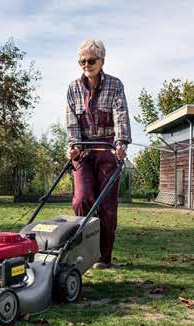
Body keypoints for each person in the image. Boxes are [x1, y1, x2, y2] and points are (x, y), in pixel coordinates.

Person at [65, 38, 131, 269]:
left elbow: (120, 114)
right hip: (83, 152)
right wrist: (73, 146)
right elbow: (72, 122)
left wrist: (121, 142)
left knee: (106, 206)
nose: (86, 64)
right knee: (82, 199)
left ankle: (104, 257)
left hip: (107, 151)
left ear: (102, 60)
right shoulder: (73, 88)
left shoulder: (115, 85)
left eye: (91, 60)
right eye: (82, 61)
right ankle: (83, 250)